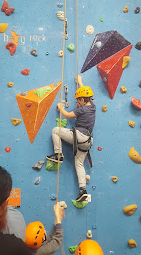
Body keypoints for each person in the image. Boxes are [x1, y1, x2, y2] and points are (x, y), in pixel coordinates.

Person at [46, 75, 96, 203]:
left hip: (80, 136)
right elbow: (85, 91)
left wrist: (60, 108)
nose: (77, 103)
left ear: (83, 100)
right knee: (79, 164)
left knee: (55, 130)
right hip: (88, 141)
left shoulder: (82, 109)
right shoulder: (92, 106)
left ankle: (58, 155)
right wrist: (79, 82)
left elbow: (68, 115)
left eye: (78, 101)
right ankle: (83, 191)